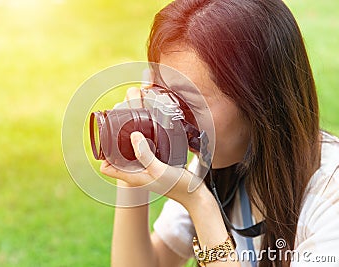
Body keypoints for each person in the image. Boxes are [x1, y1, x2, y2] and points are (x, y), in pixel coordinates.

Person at [100, 0, 339, 266]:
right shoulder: (214, 161)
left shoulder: (331, 199)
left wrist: (200, 204)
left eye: (189, 100)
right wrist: (132, 162)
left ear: (259, 100)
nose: (173, 118)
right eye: (165, 95)